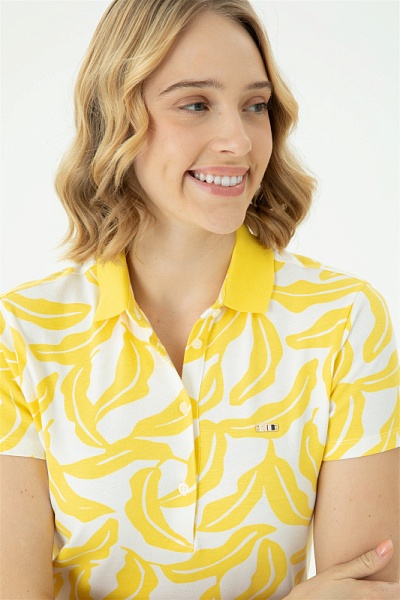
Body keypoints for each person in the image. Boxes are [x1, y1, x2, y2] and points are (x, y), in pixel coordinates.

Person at [0, 0, 398, 598]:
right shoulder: (22, 334)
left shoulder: (344, 320)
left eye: (255, 106)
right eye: (195, 105)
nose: (238, 141)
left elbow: (364, 592)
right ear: (115, 118)